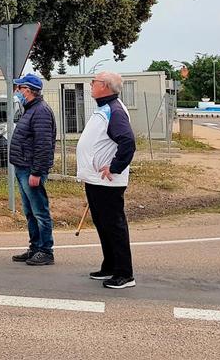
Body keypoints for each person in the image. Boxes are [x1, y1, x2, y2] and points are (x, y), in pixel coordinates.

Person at [76, 71, 138, 289]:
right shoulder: (103, 108)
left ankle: (124, 273)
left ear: (105, 86)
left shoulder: (115, 110)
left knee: (114, 226)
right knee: (103, 225)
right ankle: (110, 265)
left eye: (94, 82)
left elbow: (127, 142)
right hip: (95, 179)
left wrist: (115, 166)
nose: (91, 85)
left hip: (108, 180)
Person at [7, 73, 57, 266]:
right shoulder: (31, 109)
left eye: (19, 88)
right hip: (23, 167)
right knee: (30, 211)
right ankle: (35, 247)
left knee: (39, 211)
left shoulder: (41, 111)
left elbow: (43, 145)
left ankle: (46, 250)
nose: (17, 91)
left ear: (27, 90)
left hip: (31, 169)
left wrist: (36, 172)